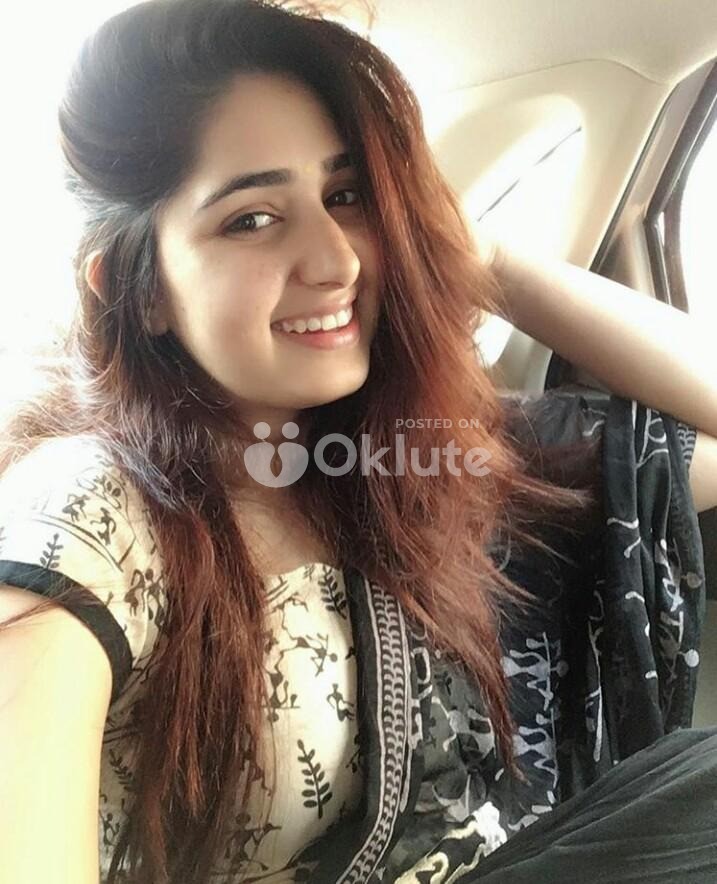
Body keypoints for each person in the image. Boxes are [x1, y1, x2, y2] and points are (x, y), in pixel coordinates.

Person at [0, 1, 715, 882]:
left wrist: (483, 260)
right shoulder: (91, 512)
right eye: (251, 218)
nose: (336, 260)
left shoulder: (426, 455)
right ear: (139, 289)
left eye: (346, 198)